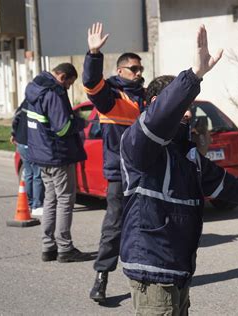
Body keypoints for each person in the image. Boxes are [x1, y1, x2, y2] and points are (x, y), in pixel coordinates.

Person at [119, 25, 238, 315]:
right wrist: (194, 75)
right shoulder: (139, 143)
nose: (189, 113)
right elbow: (158, 121)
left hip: (178, 266)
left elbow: (222, 183)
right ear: (158, 105)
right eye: (183, 105)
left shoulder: (188, 153)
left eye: (190, 106)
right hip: (152, 266)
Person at [82, 22, 147, 302]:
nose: (139, 73)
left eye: (141, 69)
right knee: (114, 227)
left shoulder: (145, 99)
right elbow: (91, 84)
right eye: (134, 69)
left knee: (146, 227)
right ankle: (101, 277)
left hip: (147, 174)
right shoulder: (110, 96)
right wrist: (94, 53)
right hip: (120, 175)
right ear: (121, 71)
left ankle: (145, 278)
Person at [25, 63, 89, 263]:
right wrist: (80, 122)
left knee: (50, 200)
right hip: (57, 155)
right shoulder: (54, 92)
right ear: (62, 76)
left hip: (41, 154)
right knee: (64, 201)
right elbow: (62, 128)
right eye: (69, 84)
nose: (68, 88)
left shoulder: (35, 87)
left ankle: (48, 246)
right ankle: (65, 248)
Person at [10, 99, 45, 216]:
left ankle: (29, 204)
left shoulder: (26, 102)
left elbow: (16, 117)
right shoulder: (41, 103)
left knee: (28, 174)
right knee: (37, 175)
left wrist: (13, 134)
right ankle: (37, 205)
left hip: (21, 142)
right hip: (33, 144)